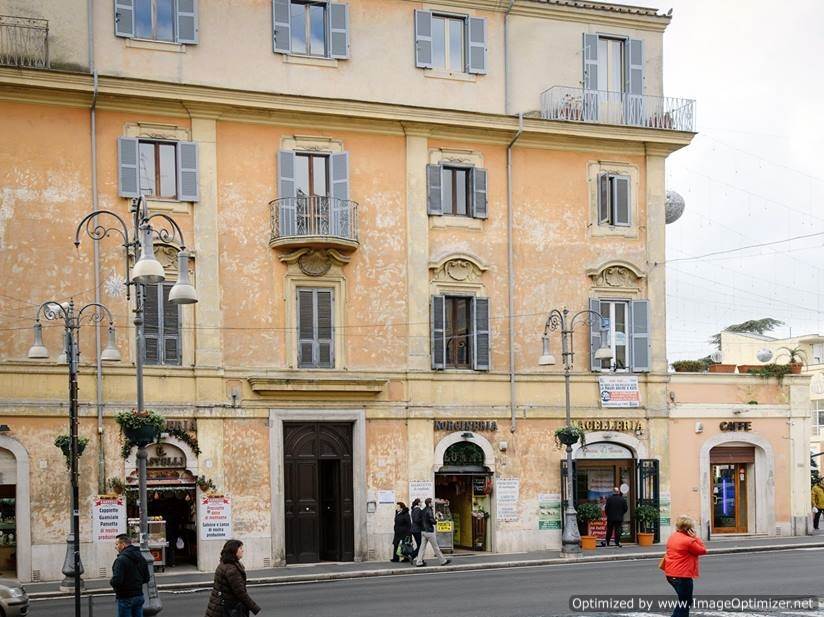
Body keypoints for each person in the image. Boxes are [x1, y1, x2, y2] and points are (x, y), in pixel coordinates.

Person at [662, 515, 707, 617]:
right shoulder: (689, 541)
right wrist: (696, 537)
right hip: (682, 576)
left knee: (685, 601)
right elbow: (703, 550)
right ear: (689, 529)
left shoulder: (673, 537)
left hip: (670, 574)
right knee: (685, 602)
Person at [205, 540, 261, 617]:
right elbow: (240, 593)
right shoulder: (231, 569)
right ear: (234, 550)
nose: (242, 550)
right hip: (227, 610)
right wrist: (254, 607)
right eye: (240, 548)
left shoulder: (225, 564)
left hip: (218, 607)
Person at [110, 534, 150, 617]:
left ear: (123, 545)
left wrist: (111, 582)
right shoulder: (140, 557)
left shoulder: (120, 560)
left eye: (117, 544)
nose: (115, 547)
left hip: (125, 597)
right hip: (139, 595)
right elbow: (146, 578)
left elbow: (117, 580)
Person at [414, 498, 451, 567]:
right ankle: (443, 561)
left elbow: (422, 520)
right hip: (429, 532)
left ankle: (418, 562)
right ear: (429, 503)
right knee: (436, 547)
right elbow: (432, 521)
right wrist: (437, 519)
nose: (433, 503)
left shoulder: (423, 510)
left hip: (423, 531)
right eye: (432, 502)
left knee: (422, 548)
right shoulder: (429, 510)